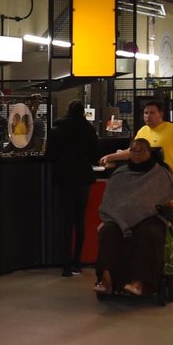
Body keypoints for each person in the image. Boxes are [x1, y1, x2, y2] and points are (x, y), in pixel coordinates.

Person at [94, 137, 173, 299]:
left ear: (149, 152)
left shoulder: (160, 173)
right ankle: (106, 280)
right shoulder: (120, 174)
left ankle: (140, 282)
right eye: (133, 151)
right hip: (120, 219)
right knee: (108, 231)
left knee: (148, 232)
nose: (136, 154)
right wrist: (108, 218)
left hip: (151, 217)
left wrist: (172, 204)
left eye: (141, 151)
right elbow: (110, 200)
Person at [46, 100, 100, 277]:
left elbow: (51, 156)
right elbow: (95, 156)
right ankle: (77, 262)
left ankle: (66, 264)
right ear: (83, 112)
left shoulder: (57, 129)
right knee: (79, 220)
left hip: (64, 177)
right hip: (83, 177)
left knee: (66, 221)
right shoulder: (89, 130)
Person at [104, 101, 173, 189]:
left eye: (152, 113)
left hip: (170, 180)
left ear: (160, 114)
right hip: (148, 180)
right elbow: (132, 152)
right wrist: (110, 157)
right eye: (146, 113)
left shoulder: (172, 128)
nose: (148, 116)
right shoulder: (143, 131)